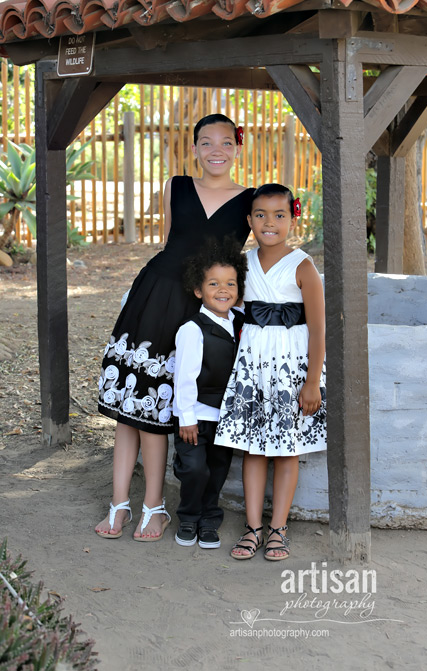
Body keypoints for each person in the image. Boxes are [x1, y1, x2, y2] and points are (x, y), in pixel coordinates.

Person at [95, 114, 254, 541]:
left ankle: (154, 507)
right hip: (154, 295)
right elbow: (167, 242)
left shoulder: (250, 200)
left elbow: (253, 257)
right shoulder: (176, 185)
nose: (215, 150)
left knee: (159, 410)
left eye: (225, 142)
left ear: (237, 148)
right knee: (129, 410)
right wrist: (136, 296)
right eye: (206, 142)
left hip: (199, 308)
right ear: (196, 148)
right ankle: (119, 504)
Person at [215, 183, 326, 561]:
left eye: (279, 215)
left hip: (289, 372)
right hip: (252, 369)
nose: (269, 223)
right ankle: (252, 528)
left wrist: (312, 382)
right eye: (261, 215)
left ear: (292, 220)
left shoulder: (303, 267)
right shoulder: (242, 265)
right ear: (249, 220)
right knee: (253, 449)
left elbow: (319, 329)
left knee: (286, 450)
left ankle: (278, 529)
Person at [172, 237, 247, 549]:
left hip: (225, 416)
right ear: (198, 290)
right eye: (214, 283)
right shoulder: (192, 329)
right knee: (194, 468)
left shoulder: (240, 322)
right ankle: (188, 517)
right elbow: (185, 377)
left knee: (217, 471)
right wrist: (186, 418)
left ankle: (209, 520)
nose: (223, 289)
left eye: (230, 283)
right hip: (196, 416)